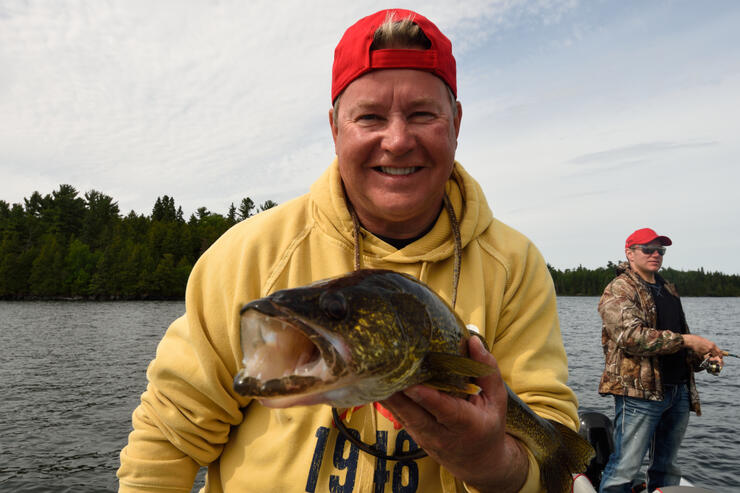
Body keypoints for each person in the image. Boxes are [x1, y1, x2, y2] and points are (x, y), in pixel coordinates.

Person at [118, 9, 579, 493]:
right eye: (370, 117)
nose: (398, 141)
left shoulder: (515, 264)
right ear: (336, 127)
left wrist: (489, 462)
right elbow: (167, 438)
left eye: (422, 114)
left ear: (456, 123)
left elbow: (552, 454)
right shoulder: (247, 254)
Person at [597, 228, 724, 493]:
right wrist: (689, 341)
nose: (655, 254)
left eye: (660, 250)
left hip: (678, 391)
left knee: (667, 466)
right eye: (648, 249)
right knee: (624, 467)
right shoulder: (619, 289)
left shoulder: (667, 288)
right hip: (638, 395)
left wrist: (703, 358)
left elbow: (677, 339)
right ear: (630, 253)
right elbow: (630, 336)